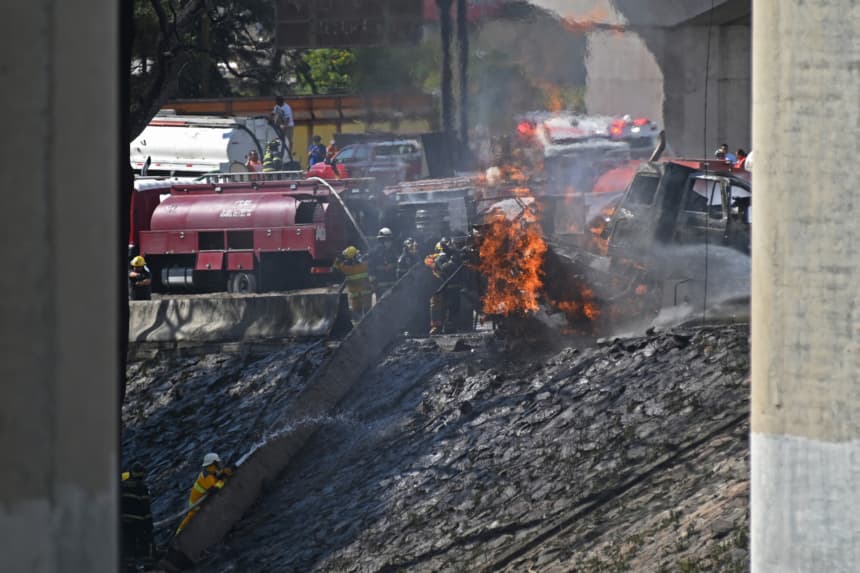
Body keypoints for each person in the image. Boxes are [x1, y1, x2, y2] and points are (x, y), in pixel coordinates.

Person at [176, 453, 232, 534]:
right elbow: (214, 490)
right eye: (217, 463)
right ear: (212, 464)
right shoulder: (206, 477)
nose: (219, 464)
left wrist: (224, 473)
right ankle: (179, 533)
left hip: (197, 502)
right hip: (196, 506)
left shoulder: (209, 471)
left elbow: (217, 476)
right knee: (190, 520)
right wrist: (224, 480)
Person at [121, 462, 155, 572]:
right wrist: (149, 524)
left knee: (129, 545)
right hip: (138, 522)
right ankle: (148, 567)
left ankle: (130, 567)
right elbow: (146, 509)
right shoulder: (142, 488)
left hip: (124, 522)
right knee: (145, 544)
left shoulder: (123, 486)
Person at [334, 246, 373, 322]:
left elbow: (335, 267)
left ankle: (357, 331)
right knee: (368, 316)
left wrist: (340, 258)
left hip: (355, 297)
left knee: (356, 317)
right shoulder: (364, 265)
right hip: (366, 295)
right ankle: (369, 330)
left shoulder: (346, 268)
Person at [368, 227, 398, 297]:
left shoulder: (393, 252)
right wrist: (374, 285)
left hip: (392, 287)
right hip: (380, 288)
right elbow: (371, 272)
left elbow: (396, 268)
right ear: (381, 241)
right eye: (387, 240)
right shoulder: (374, 253)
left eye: (390, 240)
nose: (389, 242)